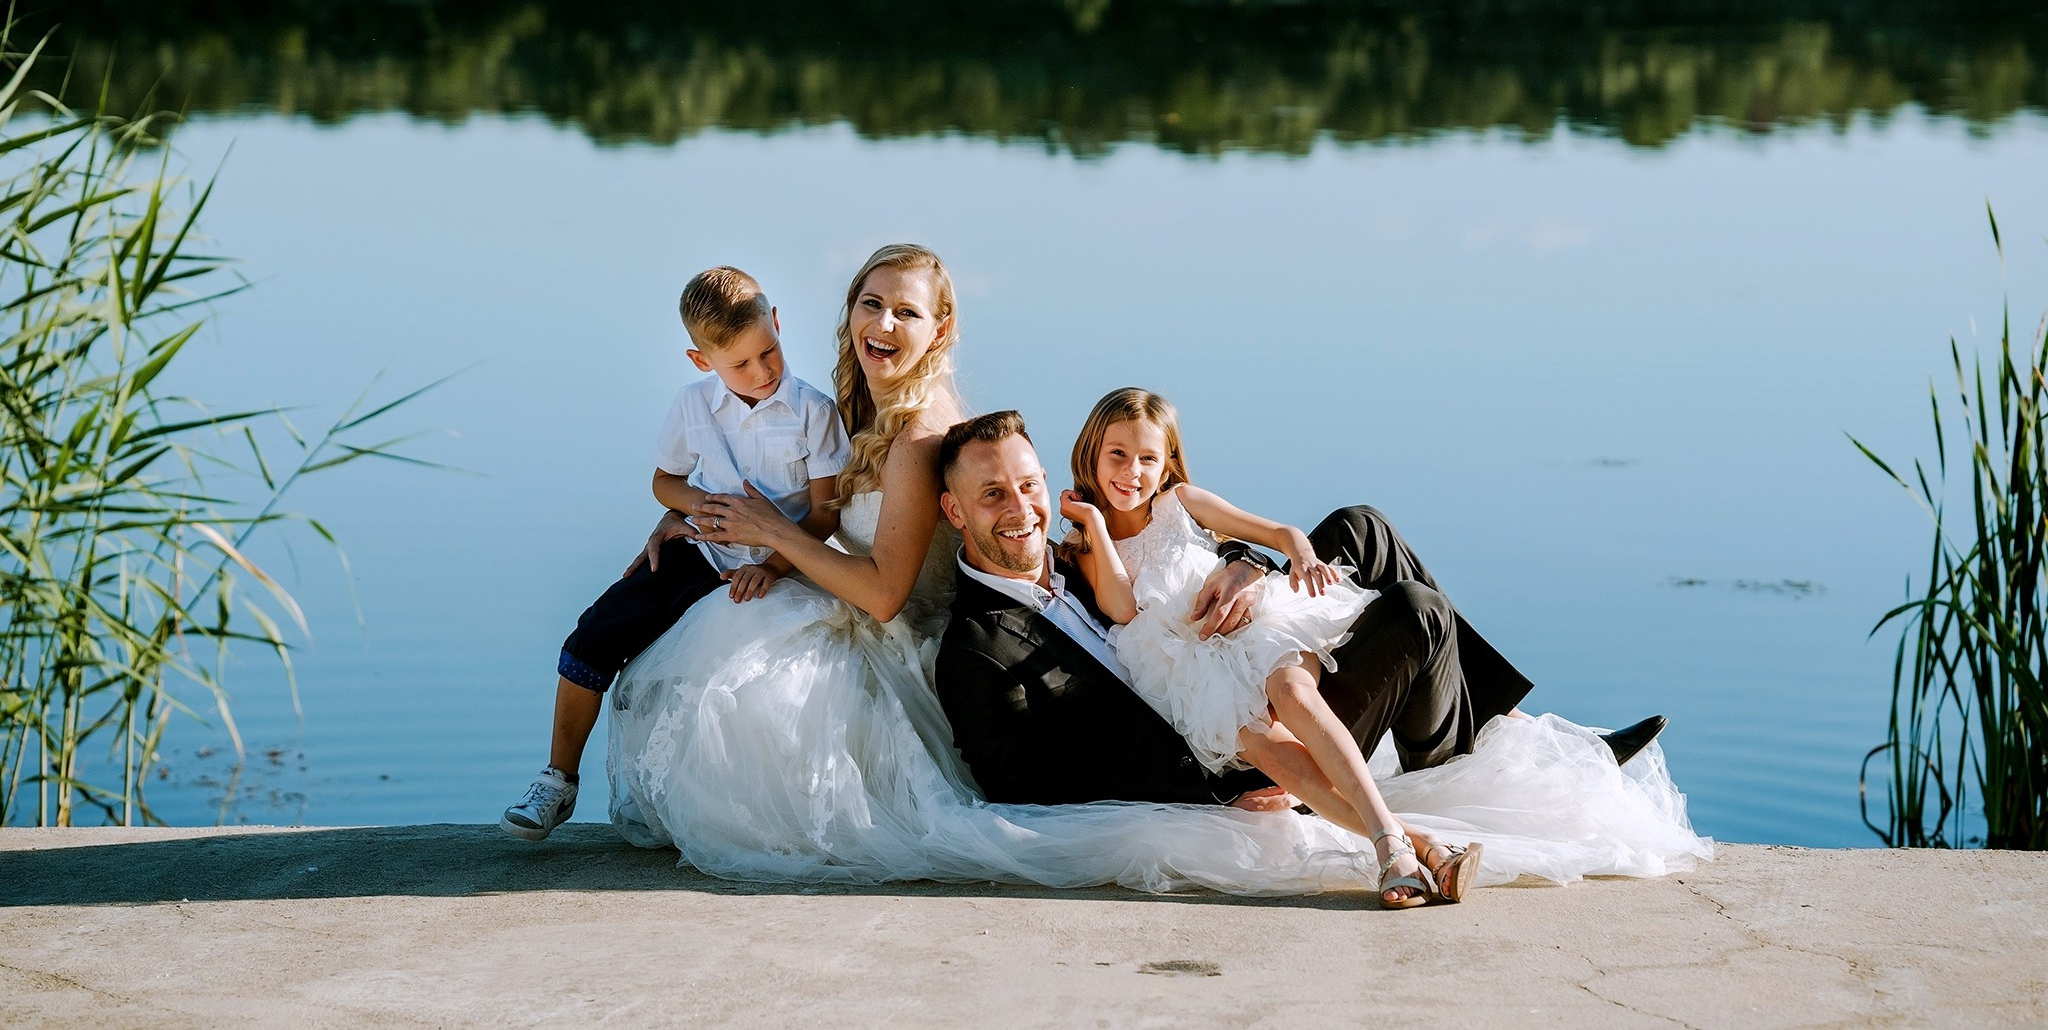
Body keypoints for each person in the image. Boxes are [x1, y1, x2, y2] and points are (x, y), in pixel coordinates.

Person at [934, 409, 1711, 892]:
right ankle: (1472, 752)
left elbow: (1176, 561)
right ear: (954, 510)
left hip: (1222, 650)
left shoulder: (1070, 546)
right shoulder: (977, 648)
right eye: (993, 494)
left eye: (1027, 485)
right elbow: (1029, 790)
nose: (1020, 507)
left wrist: (1249, 566)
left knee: (1361, 527)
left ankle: (1496, 725)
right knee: (1415, 612)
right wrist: (1205, 801)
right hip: (1227, 753)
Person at [1058, 387, 1475, 907]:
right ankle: (1407, 843)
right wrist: (1096, 524)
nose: (1131, 471)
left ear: (1167, 465)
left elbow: (1279, 532)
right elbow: (1121, 607)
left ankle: (1394, 845)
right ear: (1091, 454)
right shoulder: (1084, 547)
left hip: (1256, 630)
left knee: (1292, 693)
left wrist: (1301, 555)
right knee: (1274, 756)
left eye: (1148, 458)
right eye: (1117, 454)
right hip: (1190, 673)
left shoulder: (1181, 501)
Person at [499, 266, 849, 840]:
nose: (762, 372)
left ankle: (725, 811)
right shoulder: (692, 405)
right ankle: (558, 781)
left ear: (777, 323)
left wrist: (771, 565)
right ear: (701, 361)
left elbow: (825, 513)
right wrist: (698, 504)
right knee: (592, 637)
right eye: (740, 363)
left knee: (727, 682)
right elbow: (665, 481)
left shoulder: (814, 411)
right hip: (701, 553)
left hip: (781, 563)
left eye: (768, 351)